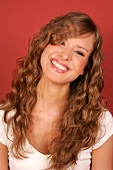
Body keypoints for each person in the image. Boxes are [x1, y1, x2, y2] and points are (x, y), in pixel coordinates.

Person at [0, 11, 113, 170]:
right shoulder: (4, 118)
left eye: (79, 52)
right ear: (44, 45)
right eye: (61, 42)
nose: (65, 55)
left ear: (85, 68)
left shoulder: (101, 122)